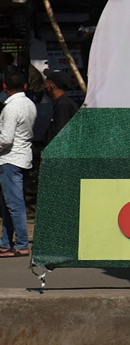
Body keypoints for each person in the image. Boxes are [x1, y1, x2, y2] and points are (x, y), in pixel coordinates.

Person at [0, 72, 35, 257]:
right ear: (25, 86)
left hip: (10, 159)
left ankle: (21, 244)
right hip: (23, 157)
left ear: (5, 87)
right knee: (8, 203)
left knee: (14, 204)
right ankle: (5, 243)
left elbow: (5, 139)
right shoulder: (30, 104)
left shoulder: (11, 108)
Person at [43, 71, 78, 146]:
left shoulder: (63, 106)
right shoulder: (61, 103)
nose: (45, 87)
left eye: (46, 84)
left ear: (52, 86)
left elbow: (61, 134)